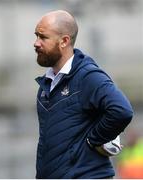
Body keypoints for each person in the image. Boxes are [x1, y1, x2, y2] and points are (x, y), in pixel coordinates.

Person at [34, 10, 133, 179]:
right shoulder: (45, 85)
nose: (36, 43)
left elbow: (122, 111)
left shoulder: (87, 76)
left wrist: (93, 140)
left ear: (64, 41)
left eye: (43, 37)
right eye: (36, 36)